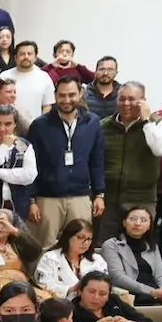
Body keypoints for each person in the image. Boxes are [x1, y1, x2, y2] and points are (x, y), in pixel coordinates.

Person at [26, 77, 105, 246]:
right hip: (47, 198)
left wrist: (99, 193)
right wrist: (31, 200)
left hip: (80, 196)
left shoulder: (93, 123)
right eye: (61, 95)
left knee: (79, 245)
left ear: (81, 93)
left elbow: (97, 161)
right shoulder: (40, 125)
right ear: (55, 96)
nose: (66, 100)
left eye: (71, 95)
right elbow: (31, 165)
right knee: (42, 246)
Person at [98, 82, 162, 244]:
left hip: (141, 201)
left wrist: (146, 120)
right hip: (109, 201)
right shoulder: (104, 126)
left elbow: (161, 149)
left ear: (143, 101)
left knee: (139, 251)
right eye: (122, 99)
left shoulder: (157, 123)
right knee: (104, 248)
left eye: (132, 99)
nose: (126, 104)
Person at [101, 204, 162, 306]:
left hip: (155, 294)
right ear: (124, 222)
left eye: (143, 220)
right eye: (132, 219)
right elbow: (117, 277)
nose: (137, 223)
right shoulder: (111, 245)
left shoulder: (152, 246)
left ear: (149, 225)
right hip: (129, 295)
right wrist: (151, 292)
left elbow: (160, 275)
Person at [35, 218, 108, 297]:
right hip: (61, 303)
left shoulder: (98, 260)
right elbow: (44, 285)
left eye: (89, 239)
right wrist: (70, 290)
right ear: (68, 237)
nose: (86, 243)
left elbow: (105, 284)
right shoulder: (50, 258)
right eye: (80, 237)